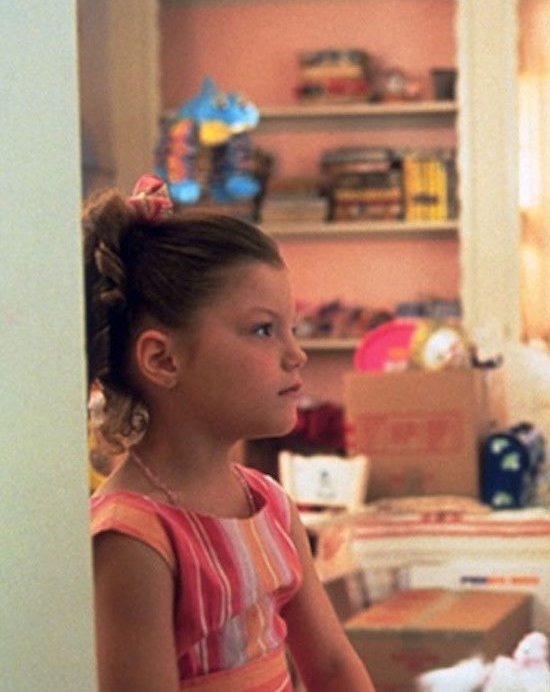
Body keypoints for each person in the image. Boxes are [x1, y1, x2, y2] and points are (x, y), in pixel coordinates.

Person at [84, 174, 373, 691]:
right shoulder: (133, 538)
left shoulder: (270, 505)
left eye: (292, 330)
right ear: (163, 359)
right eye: (263, 330)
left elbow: (332, 667)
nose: (296, 354)